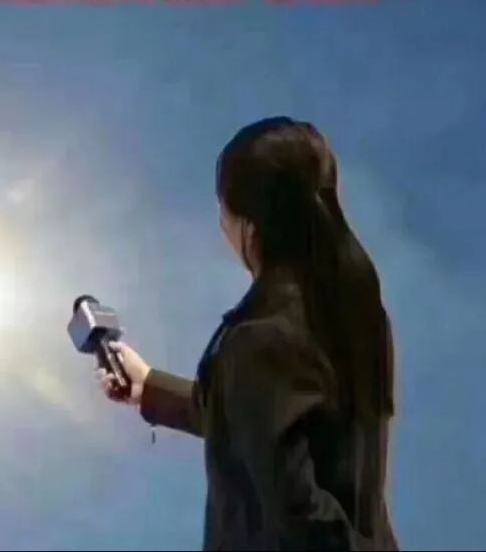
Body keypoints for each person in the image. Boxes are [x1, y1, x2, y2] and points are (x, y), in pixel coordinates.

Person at [97, 117, 399, 551]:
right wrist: (149, 388)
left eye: (223, 209)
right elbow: (261, 423)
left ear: (250, 226)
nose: (221, 223)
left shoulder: (260, 337)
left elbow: (301, 513)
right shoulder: (357, 312)